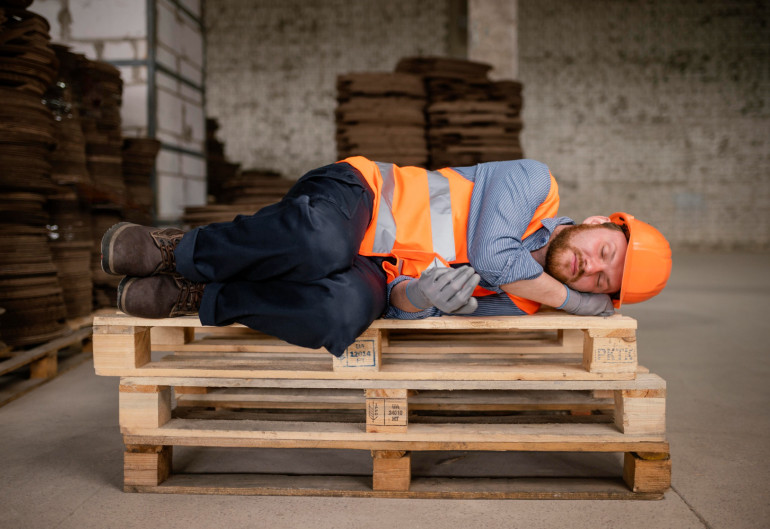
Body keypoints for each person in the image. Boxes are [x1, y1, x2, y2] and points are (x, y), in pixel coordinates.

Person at [101, 156, 672, 357]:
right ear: (599, 222)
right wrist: (575, 303)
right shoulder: (534, 184)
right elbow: (492, 257)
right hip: (360, 196)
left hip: (375, 271)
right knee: (320, 243)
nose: (590, 268)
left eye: (602, 281)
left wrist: (419, 299)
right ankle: (178, 250)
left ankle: (200, 296)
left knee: (338, 316)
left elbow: (399, 307)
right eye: (604, 251)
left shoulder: (519, 306)